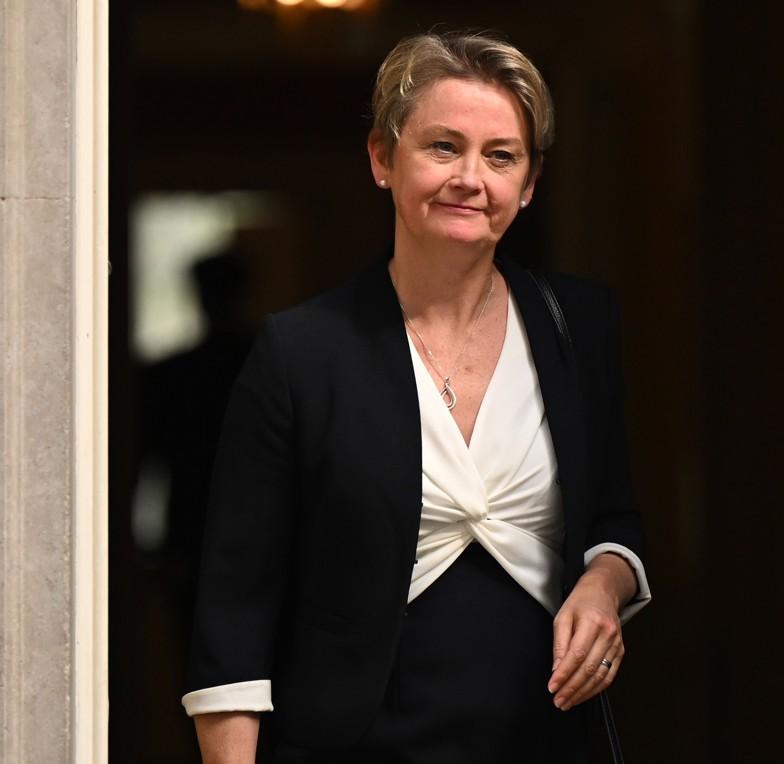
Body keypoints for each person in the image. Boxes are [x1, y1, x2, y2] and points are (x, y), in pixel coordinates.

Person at [182, 30, 652, 763]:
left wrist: (603, 582)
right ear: (381, 159)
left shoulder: (577, 327)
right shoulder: (302, 351)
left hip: (548, 739)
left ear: (528, 185)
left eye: (501, 156)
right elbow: (235, 605)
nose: (471, 177)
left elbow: (615, 516)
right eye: (443, 146)